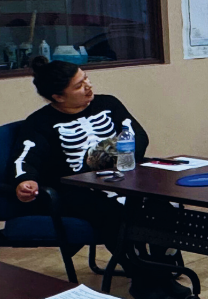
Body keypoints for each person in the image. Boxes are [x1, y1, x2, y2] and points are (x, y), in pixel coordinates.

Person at [11, 57, 188, 299]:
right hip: (77, 191)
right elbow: (25, 158)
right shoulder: (39, 123)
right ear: (58, 96)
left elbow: (136, 134)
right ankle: (142, 278)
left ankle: (160, 272)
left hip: (122, 180)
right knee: (116, 214)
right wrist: (25, 181)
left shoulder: (109, 104)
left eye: (86, 79)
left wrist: (122, 159)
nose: (89, 87)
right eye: (79, 85)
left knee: (164, 206)